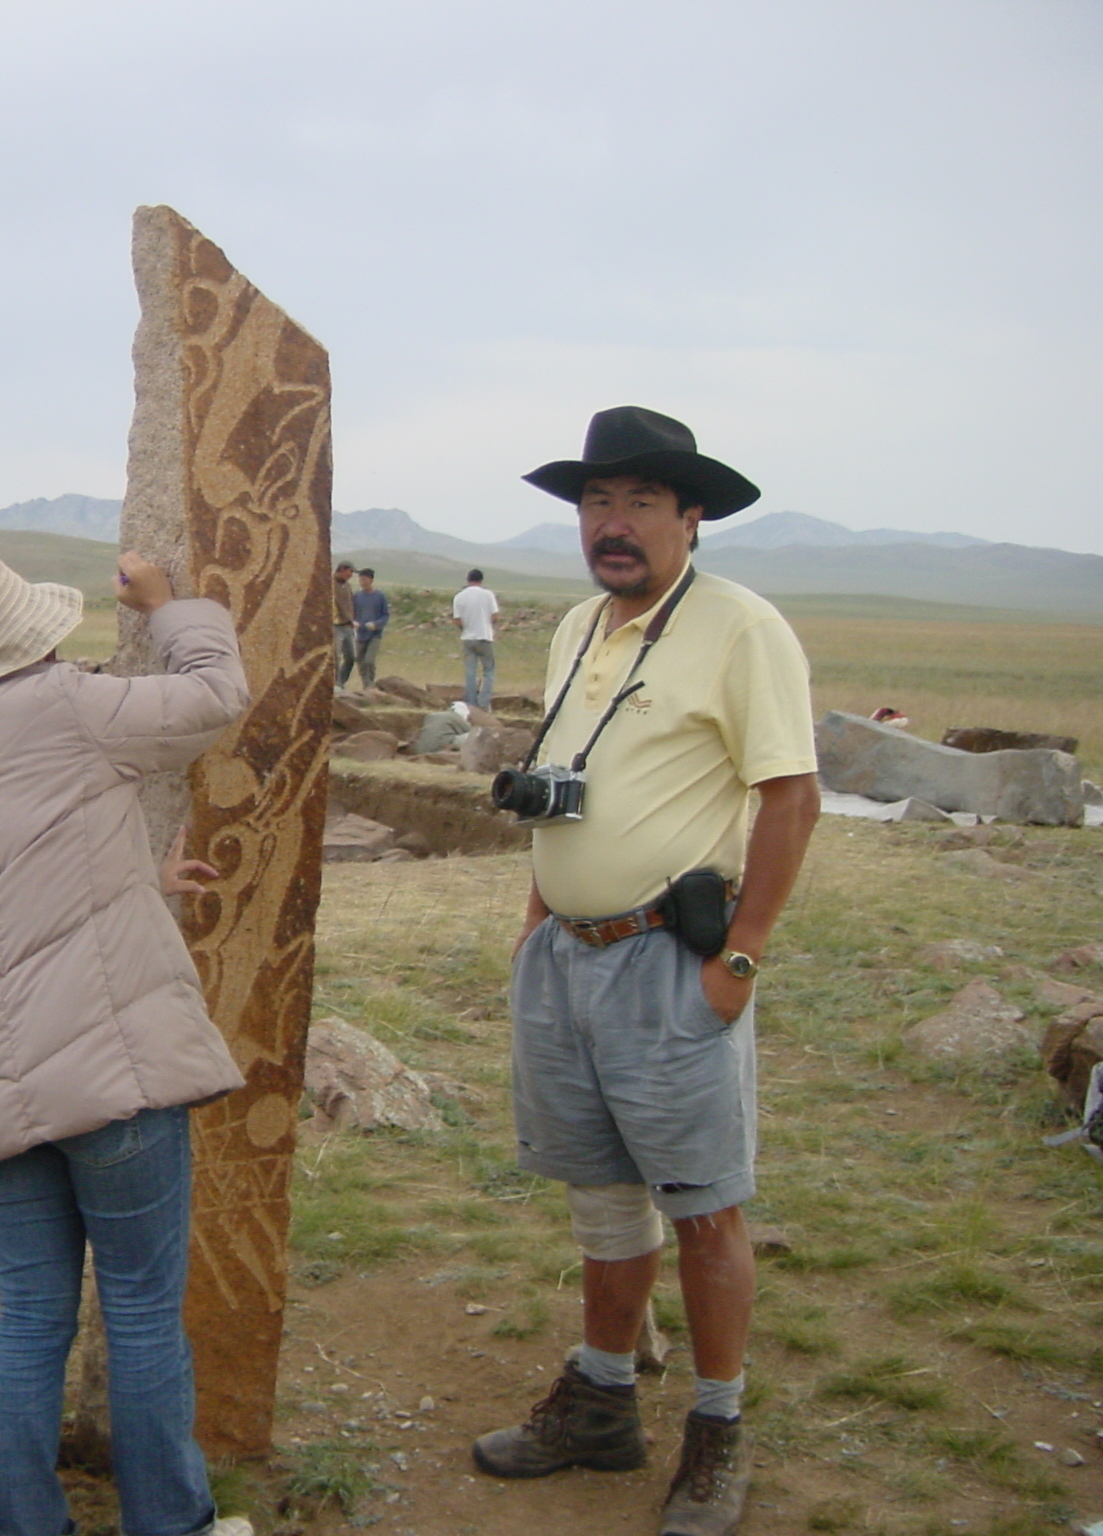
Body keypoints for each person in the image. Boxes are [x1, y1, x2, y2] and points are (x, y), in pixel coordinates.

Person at [472, 407, 819, 1536]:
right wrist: (534, 910)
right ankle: (600, 1400)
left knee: (702, 1207)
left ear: (689, 514)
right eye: (592, 502)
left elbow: (788, 794)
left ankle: (716, 1432)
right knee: (600, 1196)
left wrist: (740, 961)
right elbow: (563, 778)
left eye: (634, 502)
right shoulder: (577, 626)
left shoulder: (738, 627)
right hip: (565, 963)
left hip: (670, 963)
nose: (608, 525)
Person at [0, 541, 255, 1536]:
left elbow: (13, 895)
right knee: (141, 1311)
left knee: (29, 1318)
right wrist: (170, 604)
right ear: (25, 629)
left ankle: (20, 1524)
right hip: (110, 1066)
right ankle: (168, 1524)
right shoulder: (65, 703)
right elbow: (214, 695)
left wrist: (134, 880)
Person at [452, 568, 500, 711]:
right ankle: (484, 703)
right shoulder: (488, 595)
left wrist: (466, 629)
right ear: (481, 580)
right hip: (485, 636)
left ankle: (471, 703)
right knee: (488, 670)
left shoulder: (459, 597)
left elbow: (457, 620)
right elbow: (495, 616)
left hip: (468, 638)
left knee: (470, 672)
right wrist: (488, 626)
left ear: (468, 580)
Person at [351, 567, 389, 690]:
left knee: (369, 660)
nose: (362, 581)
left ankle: (371, 684)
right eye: (360, 579)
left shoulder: (380, 596)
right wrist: (353, 622)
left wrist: (376, 624)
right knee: (360, 661)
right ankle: (365, 685)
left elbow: (385, 615)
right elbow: (351, 613)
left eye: (364, 579)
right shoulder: (356, 596)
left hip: (374, 635)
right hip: (360, 634)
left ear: (371, 580)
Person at [332, 560, 358, 689]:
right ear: (342, 569)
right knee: (335, 656)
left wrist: (353, 618)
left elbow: (350, 604)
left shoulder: (347, 586)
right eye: (350, 571)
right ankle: (333, 683)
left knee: (351, 656)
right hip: (335, 625)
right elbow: (339, 605)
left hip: (348, 626)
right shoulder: (330, 584)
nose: (350, 575)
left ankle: (340, 683)